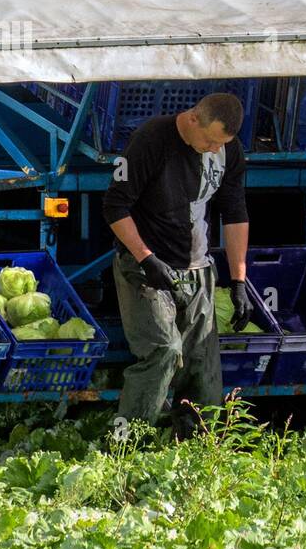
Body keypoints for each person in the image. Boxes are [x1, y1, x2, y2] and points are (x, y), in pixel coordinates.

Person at [102, 93, 252, 439]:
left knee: (202, 365)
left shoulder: (227, 149)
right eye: (211, 141)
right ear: (192, 119)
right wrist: (145, 257)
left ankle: (195, 448)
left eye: (222, 144)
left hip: (199, 268)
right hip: (146, 268)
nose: (215, 149)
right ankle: (125, 443)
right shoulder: (150, 140)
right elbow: (114, 206)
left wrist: (239, 280)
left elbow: (235, 212)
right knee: (163, 351)